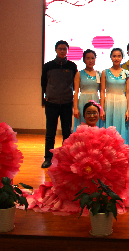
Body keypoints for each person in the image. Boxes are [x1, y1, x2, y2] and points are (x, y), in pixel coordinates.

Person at [27, 100, 129, 215]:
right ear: (84, 115)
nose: (92, 116)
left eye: (94, 113)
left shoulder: (105, 135)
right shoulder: (77, 134)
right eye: (88, 113)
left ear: (99, 114)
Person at [41, 40, 78, 169]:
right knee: (50, 133)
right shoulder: (48, 66)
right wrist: (49, 96)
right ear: (56, 50)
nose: (62, 51)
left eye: (64, 49)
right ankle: (48, 158)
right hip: (51, 103)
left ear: (67, 50)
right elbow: (43, 83)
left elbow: (75, 84)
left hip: (67, 103)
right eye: (60, 49)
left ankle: (66, 158)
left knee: (67, 133)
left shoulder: (72, 66)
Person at [100, 48, 129, 144]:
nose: (116, 58)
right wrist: (101, 109)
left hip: (122, 102)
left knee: (121, 128)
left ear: (122, 58)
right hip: (109, 102)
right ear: (111, 57)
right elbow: (102, 91)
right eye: (114, 56)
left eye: (119, 56)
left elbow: (128, 92)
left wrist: (128, 110)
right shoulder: (105, 72)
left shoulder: (126, 73)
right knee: (108, 128)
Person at [73, 49, 101, 131]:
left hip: (95, 101)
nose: (90, 60)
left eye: (92, 58)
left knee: (94, 124)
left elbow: (102, 91)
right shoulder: (79, 74)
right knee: (82, 123)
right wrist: (75, 108)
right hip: (83, 101)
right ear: (84, 60)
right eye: (88, 58)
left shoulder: (99, 74)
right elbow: (76, 92)